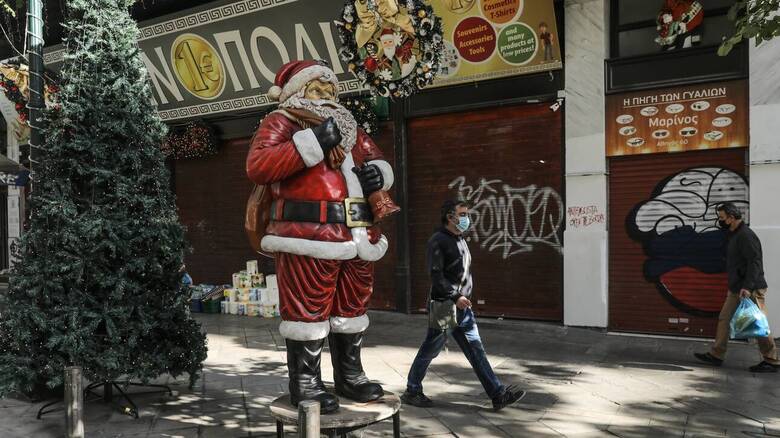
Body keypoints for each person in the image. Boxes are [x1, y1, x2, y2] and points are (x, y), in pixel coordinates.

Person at [246, 59, 396, 413]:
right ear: (298, 92)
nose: (327, 95)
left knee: (352, 307)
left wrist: (378, 175)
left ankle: (350, 375)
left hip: (359, 234)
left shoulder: (350, 127)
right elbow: (258, 165)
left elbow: (375, 159)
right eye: (317, 88)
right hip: (308, 234)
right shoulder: (280, 121)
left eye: (331, 89)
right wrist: (311, 142)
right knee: (306, 310)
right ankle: (306, 383)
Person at [401, 200, 526, 410]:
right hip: (444, 306)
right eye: (463, 214)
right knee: (430, 349)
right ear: (450, 217)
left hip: (463, 310)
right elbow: (435, 275)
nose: (467, 218)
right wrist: (455, 295)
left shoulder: (459, 239)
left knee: (476, 350)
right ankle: (412, 390)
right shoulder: (437, 241)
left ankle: (498, 394)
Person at [694, 202, 780, 372]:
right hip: (736, 288)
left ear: (731, 218)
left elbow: (754, 263)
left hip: (751, 289)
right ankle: (716, 355)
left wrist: (747, 287)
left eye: (722, 218)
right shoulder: (733, 233)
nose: (720, 221)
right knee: (724, 319)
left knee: (758, 324)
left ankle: (771, 360)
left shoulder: (746, 236)